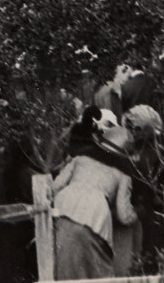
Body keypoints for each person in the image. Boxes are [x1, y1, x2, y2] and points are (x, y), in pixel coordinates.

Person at [51, 107, 139, 279]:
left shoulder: (81, 158)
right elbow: (124, 215)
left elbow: (55, 187)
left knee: (65, 268)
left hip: (63, 205)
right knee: (98, 270)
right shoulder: (123, 174)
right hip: (95, 214)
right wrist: (136, 215)